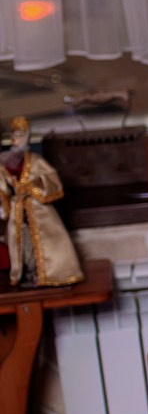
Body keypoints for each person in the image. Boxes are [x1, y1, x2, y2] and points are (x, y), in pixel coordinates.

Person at [0, 116, 84, 288]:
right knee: (21, 244)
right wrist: (4, 204)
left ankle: (47, 273)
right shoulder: (4, 163)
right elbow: (2, 187)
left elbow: (51, 180)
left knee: (47, 241)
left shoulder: (36, 160)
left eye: (20, 135)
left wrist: (33, 187)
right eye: (14, 135)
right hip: (18, 210)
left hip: (38, 209)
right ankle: (26, 273)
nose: (16, 139)